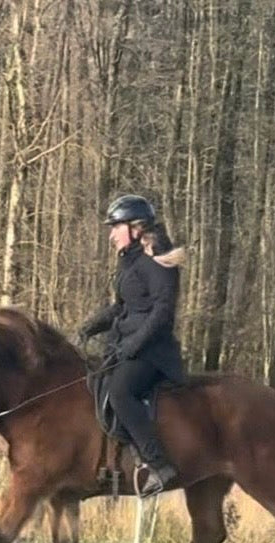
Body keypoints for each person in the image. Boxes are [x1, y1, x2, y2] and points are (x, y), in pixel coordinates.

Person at [78, 194, 186, 498]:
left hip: (153, 352)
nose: (111, 235)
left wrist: (133, 346)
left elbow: (162, 313)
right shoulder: (132, 262)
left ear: (135, 228)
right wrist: (91, 326)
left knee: (121, 392)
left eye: (116, 227)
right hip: (129, 346)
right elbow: (124, 308)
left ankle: (157, 463)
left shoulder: (156, 262)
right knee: (97, 383)